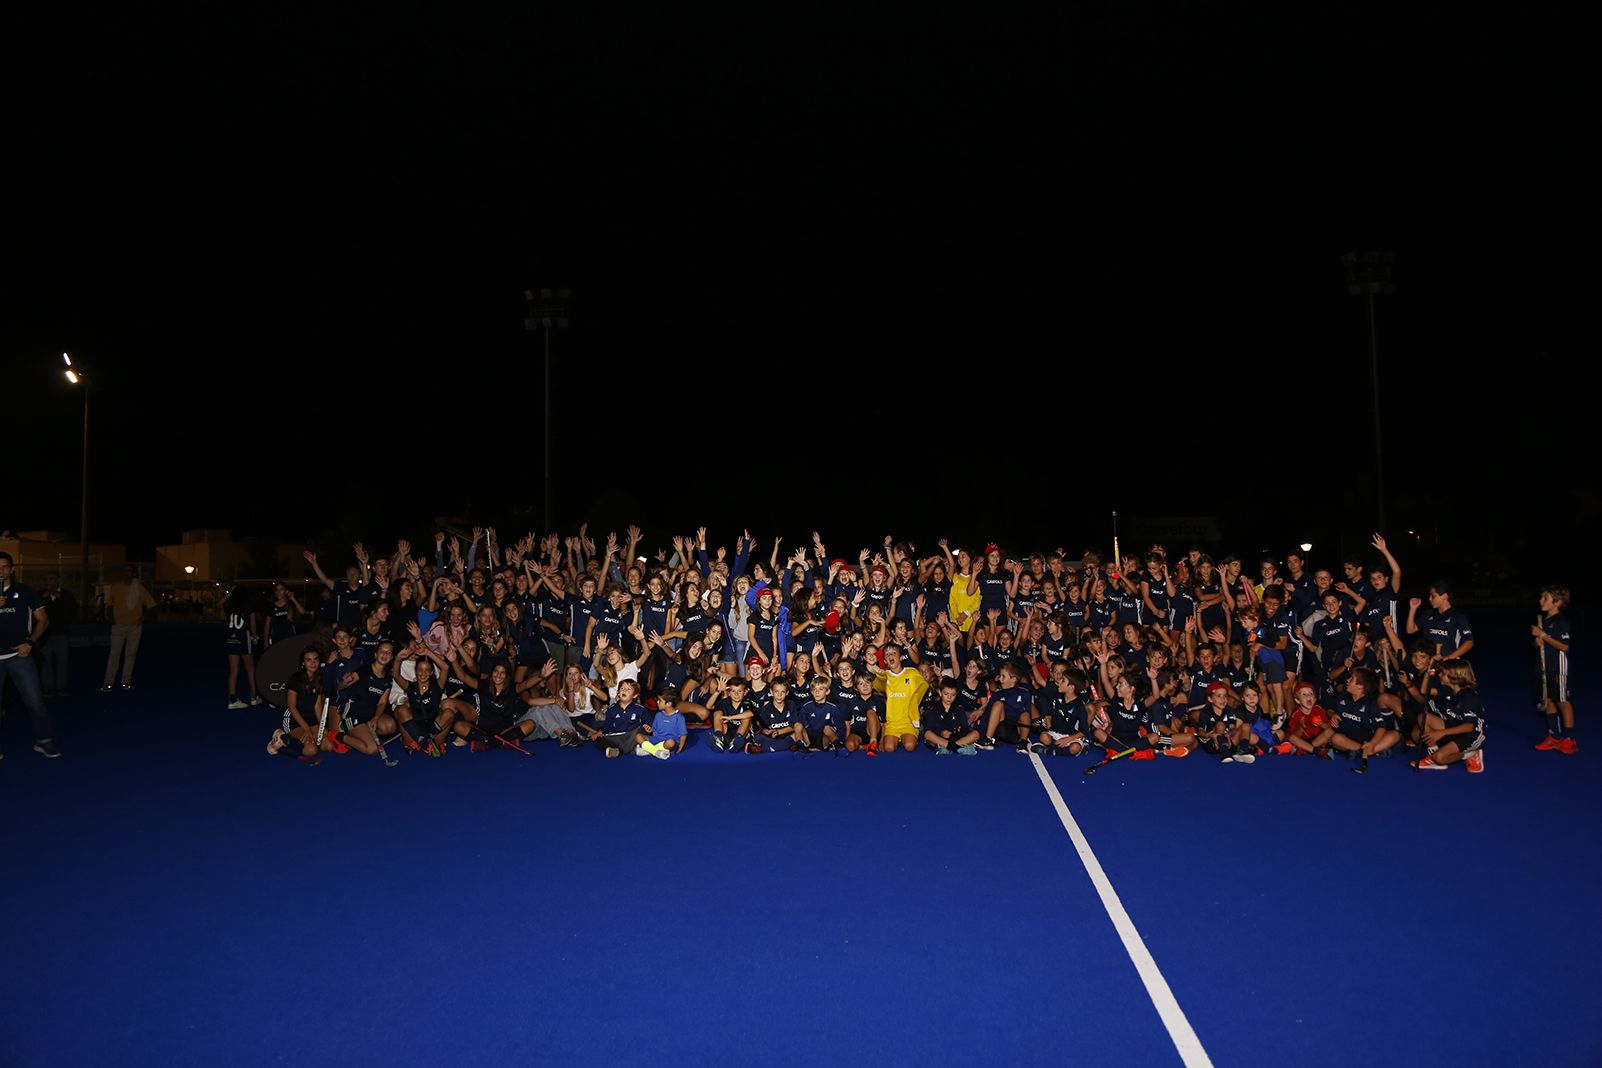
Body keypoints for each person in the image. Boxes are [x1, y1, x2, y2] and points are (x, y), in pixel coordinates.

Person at [0, 552, 61, 758]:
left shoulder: (24, 591)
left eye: (5, 566)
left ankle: (44, 741)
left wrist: (30, 642)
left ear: (12, 569)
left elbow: (43, 620)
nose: (1, 571)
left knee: (34, 701)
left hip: (19, 656)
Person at [1412, 659, 1486, 773]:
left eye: (1443, 673)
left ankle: (1468, 754)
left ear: (1454, 677)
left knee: (1440, 758)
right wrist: (1428, 672)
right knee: (1423, 717)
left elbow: (1469, 727)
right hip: (1453, 727)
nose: (1440, 675)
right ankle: (1432, 754)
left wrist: (1440, 733)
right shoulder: (1447, 689)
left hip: (1470, 735)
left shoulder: (1469, 697)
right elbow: (1424, 690)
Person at [1533, 586, 1576, 754]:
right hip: (1544, 667)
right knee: (1549, 700)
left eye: (1545, 598)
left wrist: (1543, 636)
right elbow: (1539, 645)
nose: (1540, 601)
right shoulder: (1544, 621)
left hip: (1558, 668)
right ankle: (1554, 736)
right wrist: (1538, 641)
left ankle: (1569, 739)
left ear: (1557, 602)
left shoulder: (1561, 622)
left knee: (1562, 701)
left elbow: (1564, 646)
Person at [100, 564, 156, 691]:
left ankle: (126, 681)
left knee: (130, 654)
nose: (127, 574)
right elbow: (109, 605)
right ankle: (108, 682)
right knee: (114, 654)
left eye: (129, 571)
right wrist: (111, 619)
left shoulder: (140, 588)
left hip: (134, 626)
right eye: (125, 571)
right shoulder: (115, 587)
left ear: (134, 574)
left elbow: (151, 605)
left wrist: (143, 617)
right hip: (118, 626)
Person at [871, 642, 927, 753]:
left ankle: (907, 737)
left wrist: (915, 699)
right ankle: (896, 739)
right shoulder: (885, 675)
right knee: (889, 748)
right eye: (887, 655)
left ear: (901, 657)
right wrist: (881, 676)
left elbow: (924, 685)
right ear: (885, 661)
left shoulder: (911, 673)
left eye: (893, 653)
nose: (890, 656)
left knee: (909, 746)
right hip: (893, 723)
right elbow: (877, 686)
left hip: (909, 721)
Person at [36, 571, 78, 697]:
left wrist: (60, 598)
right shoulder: (39, 595)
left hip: (61, 634)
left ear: (58, 580)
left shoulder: (67, 595)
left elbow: (73, 613)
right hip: (44, 635)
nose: (50, 581)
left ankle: (62, 687)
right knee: (45, 662)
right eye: (48, 579)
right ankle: (47, 688)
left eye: (53, 579)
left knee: (62, 661)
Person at [223, 586, 262, 709]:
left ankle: (232, 699)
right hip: (243, 639)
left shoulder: (229, 607)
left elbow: (220, 603)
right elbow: (252, 623)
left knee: (234, 670)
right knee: (250, 668)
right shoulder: (248, 606)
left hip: (231, 639)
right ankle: (253, 697)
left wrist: (230, 593)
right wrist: (254, 636)